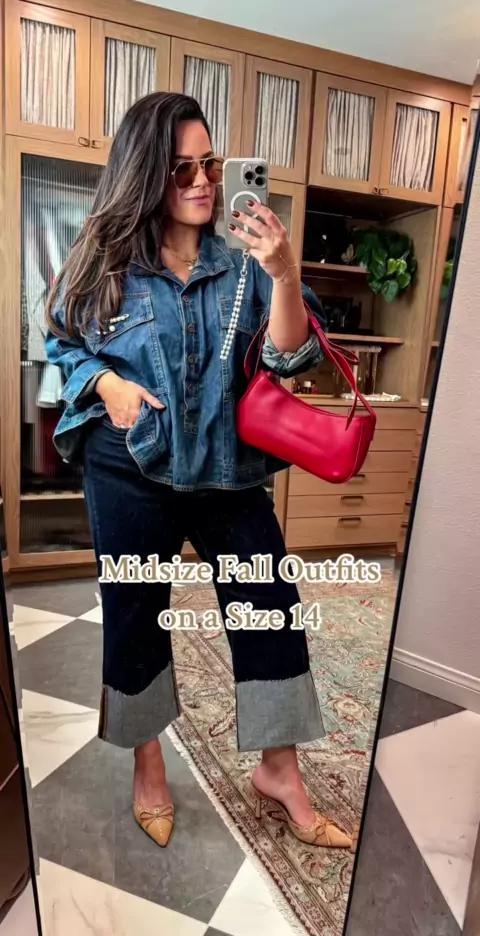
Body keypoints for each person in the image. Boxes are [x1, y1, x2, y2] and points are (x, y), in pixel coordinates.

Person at [44, 92, 352, 851]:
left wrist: (284, 272)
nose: (204, 181)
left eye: (209, 164)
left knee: (270, 608)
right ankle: (148, 762)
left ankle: (280, 771)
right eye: (181, 168)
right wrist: (106, 385)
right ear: (146, 173)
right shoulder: (106, 262)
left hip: (231, 472)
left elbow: (291, 355)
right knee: (136, 615)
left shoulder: (245, 262)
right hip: (129, 467)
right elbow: (60, 340)